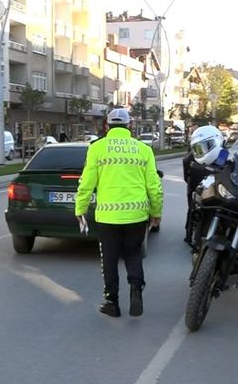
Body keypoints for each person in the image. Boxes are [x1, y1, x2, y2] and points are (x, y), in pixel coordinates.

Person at [75, 108, 163, 318]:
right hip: (137, 215)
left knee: (110, 260)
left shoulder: (97, 148)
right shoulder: (143, 150)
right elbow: (154, 186)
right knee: (133, 254)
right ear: (129, 126)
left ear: (106, 125)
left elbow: (87, 183)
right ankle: (136, 290)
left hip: (107, 217)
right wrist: (156, 212)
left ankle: (111, 302)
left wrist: (80, 208)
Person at [183, 125, 227, 247]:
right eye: (198, 148)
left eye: (206, 146)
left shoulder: (225, 154)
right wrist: (192, 184)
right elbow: (186, 174)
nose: (201, 151)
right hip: (197, 186)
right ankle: (189, 233)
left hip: (219, 187)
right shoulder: (190, 158)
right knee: (194, 207)